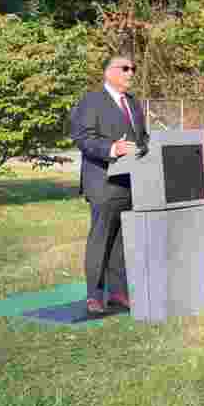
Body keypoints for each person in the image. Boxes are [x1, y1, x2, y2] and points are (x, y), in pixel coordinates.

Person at [70, 54, 149, 314]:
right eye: (124, 68)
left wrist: (149, 147)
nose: (130, 73)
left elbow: (142, 137)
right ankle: (94, 295)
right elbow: (82, 137)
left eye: (133, 68)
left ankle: (118, 293)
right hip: (102, 182)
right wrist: (112, 148)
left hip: (130, 182)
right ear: (108, 72)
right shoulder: (91, 100)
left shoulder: (134, 103)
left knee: (122, 240)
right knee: (101, 239)